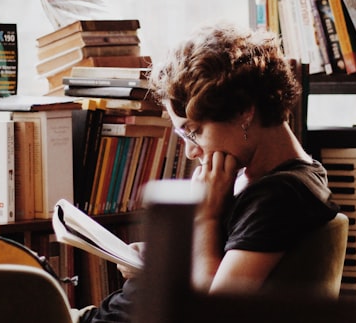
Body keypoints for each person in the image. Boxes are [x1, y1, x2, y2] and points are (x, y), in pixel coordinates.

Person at [76, 23, 340, 323]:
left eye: (194, 132)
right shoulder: (268, 179)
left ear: (243, 110)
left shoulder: (279, 196)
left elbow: (213, 313)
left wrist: (206, 218)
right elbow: (223, 256)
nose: (191, 151)